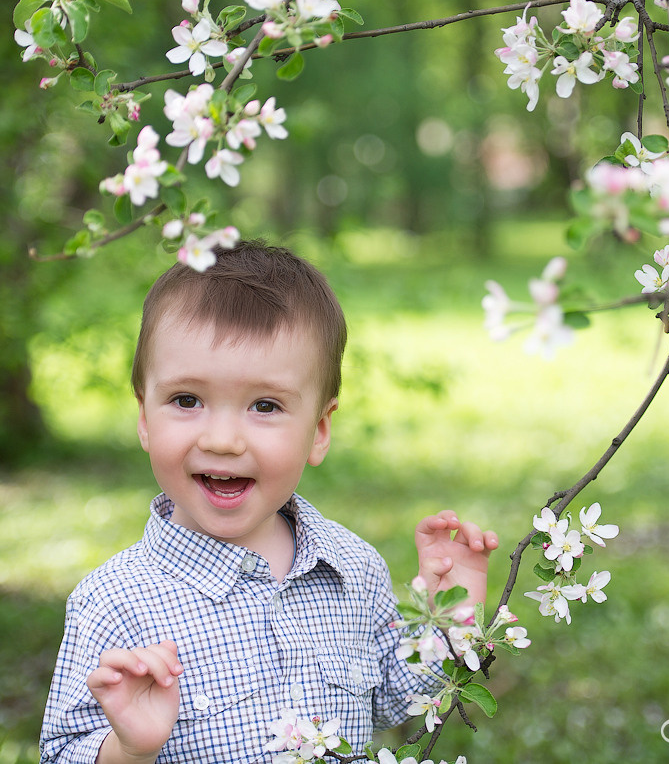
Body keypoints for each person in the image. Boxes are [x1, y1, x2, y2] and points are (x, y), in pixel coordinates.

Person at [40, 239, 499, 764]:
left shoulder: (353, 569)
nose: (223, 440)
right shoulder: (113, 601)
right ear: (145, 417)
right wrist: (130, 749)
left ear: (319, 429)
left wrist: (449, 619)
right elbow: (60, 752)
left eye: (265, 405)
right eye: (186, 400)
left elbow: (400, 698)